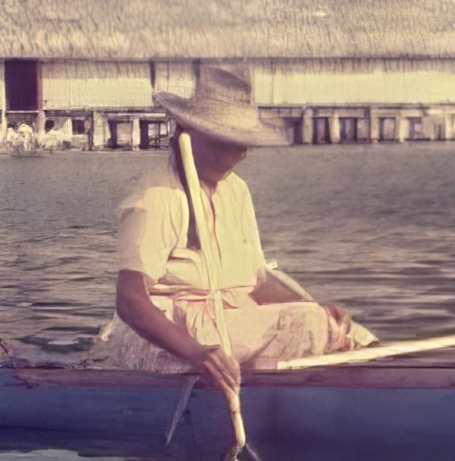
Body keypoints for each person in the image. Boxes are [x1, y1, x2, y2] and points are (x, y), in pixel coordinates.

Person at [89, 66, 376, 397]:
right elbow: (130, 301)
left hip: (227, 324)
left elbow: (257, 281)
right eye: (225, 141)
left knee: (338, 325)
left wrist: (318, 309)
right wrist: (197, 353)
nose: (238, 152)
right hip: (161, 345)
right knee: (310, 325)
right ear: (189, 132)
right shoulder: (156, 197)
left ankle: (391, 379)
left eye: (242, 142)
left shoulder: (236, 190)